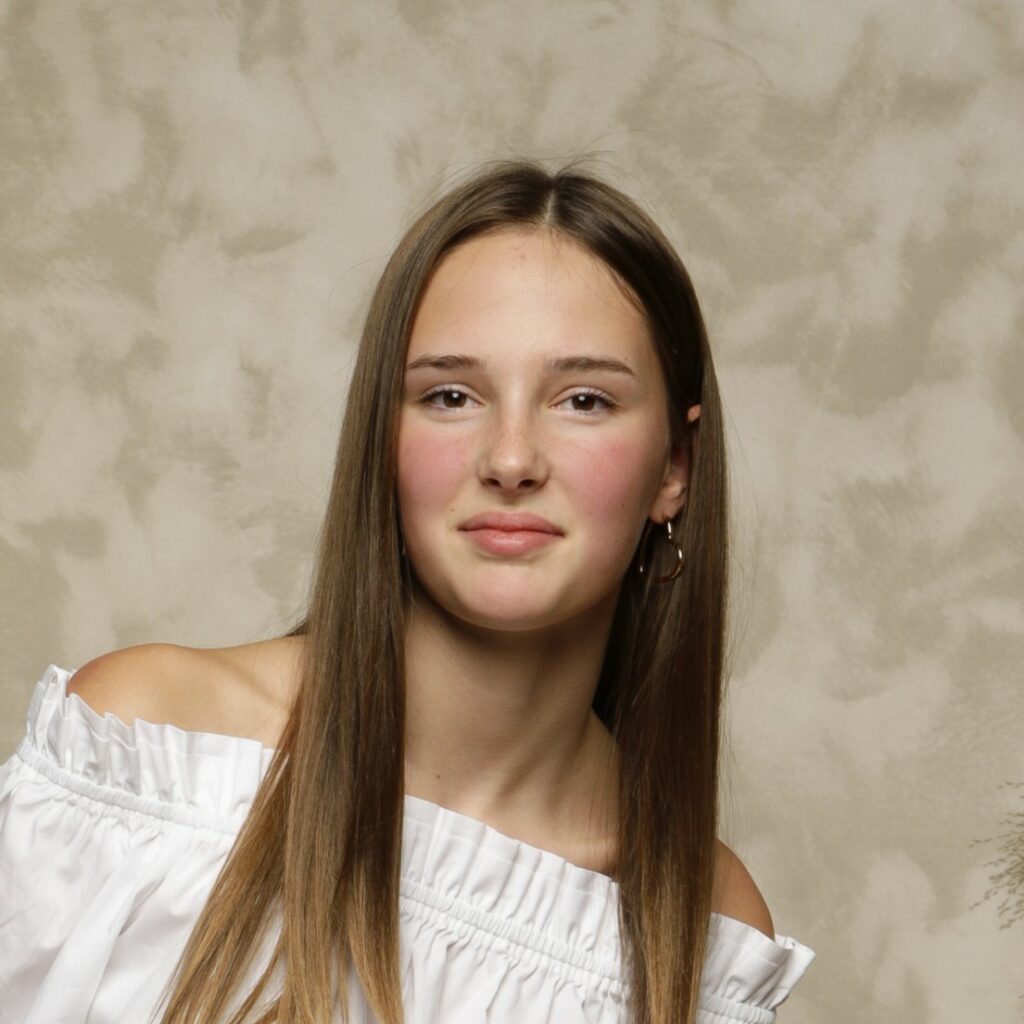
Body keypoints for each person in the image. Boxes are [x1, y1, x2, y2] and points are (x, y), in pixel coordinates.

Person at [0, 159, 816, 1023]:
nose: (510, 459)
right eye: (451, 395)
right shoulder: (150, 754)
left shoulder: (702, 927)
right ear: (382, 439)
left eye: (582, 400)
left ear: (675, 468)